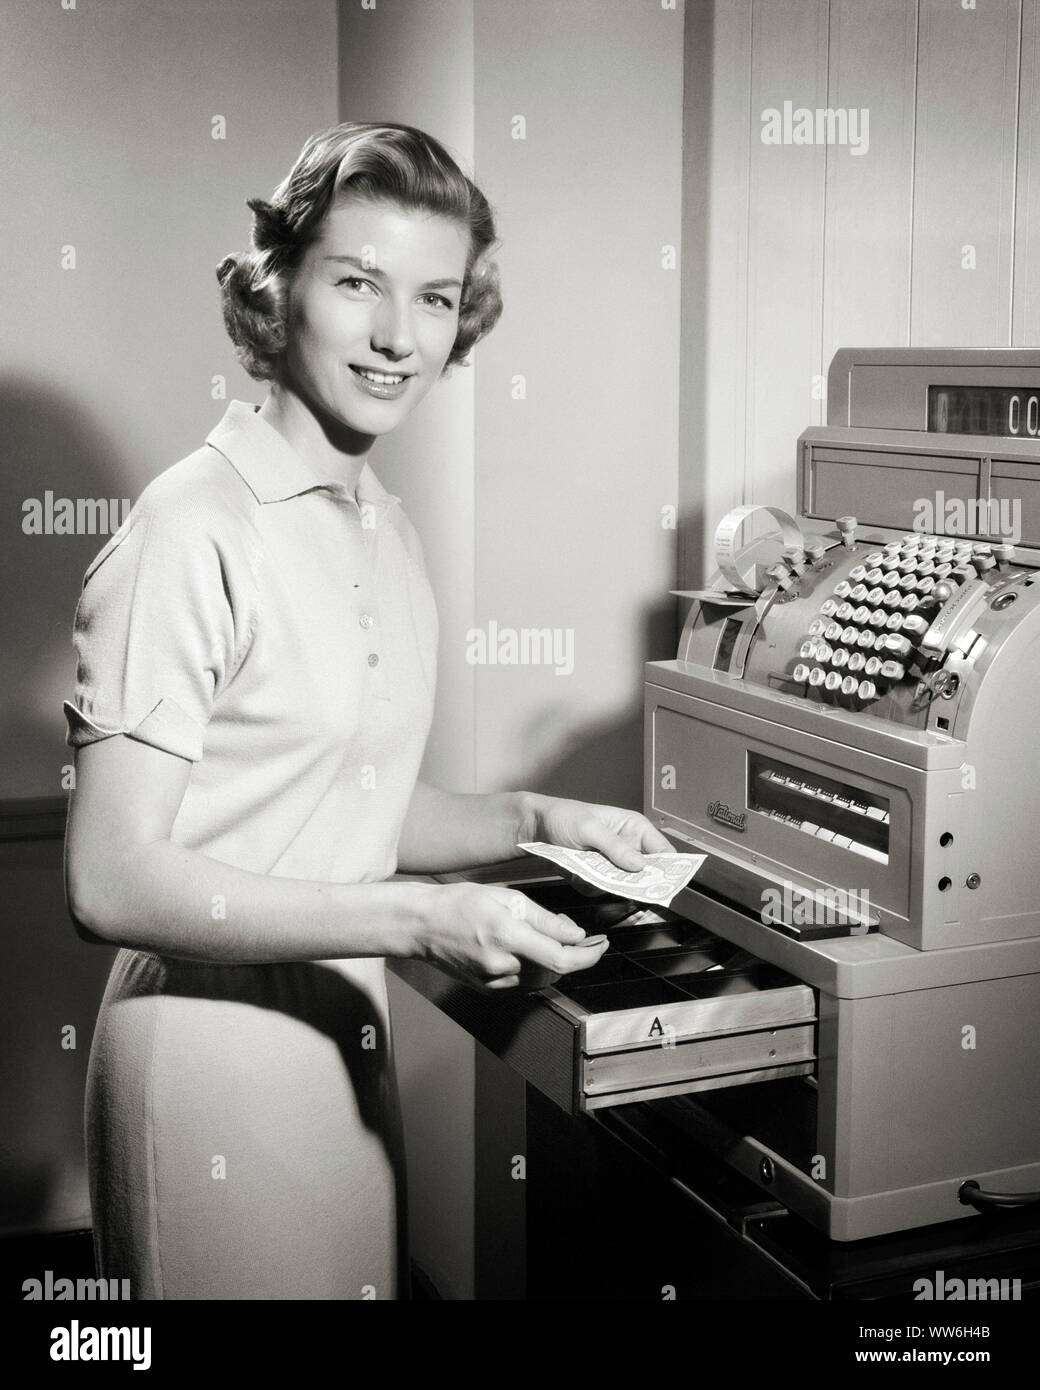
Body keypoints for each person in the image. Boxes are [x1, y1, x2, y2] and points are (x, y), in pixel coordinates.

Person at [62, 121, 672, 1301]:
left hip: (338, 1048)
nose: (400, 336)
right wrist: (414, 921)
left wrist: (540, 818)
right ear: (277, 288)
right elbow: (109, 879)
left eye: (435, 298)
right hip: (207, 1073)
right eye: (358, 284)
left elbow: (349, 807)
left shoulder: (375, 521)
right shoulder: (193, 526)